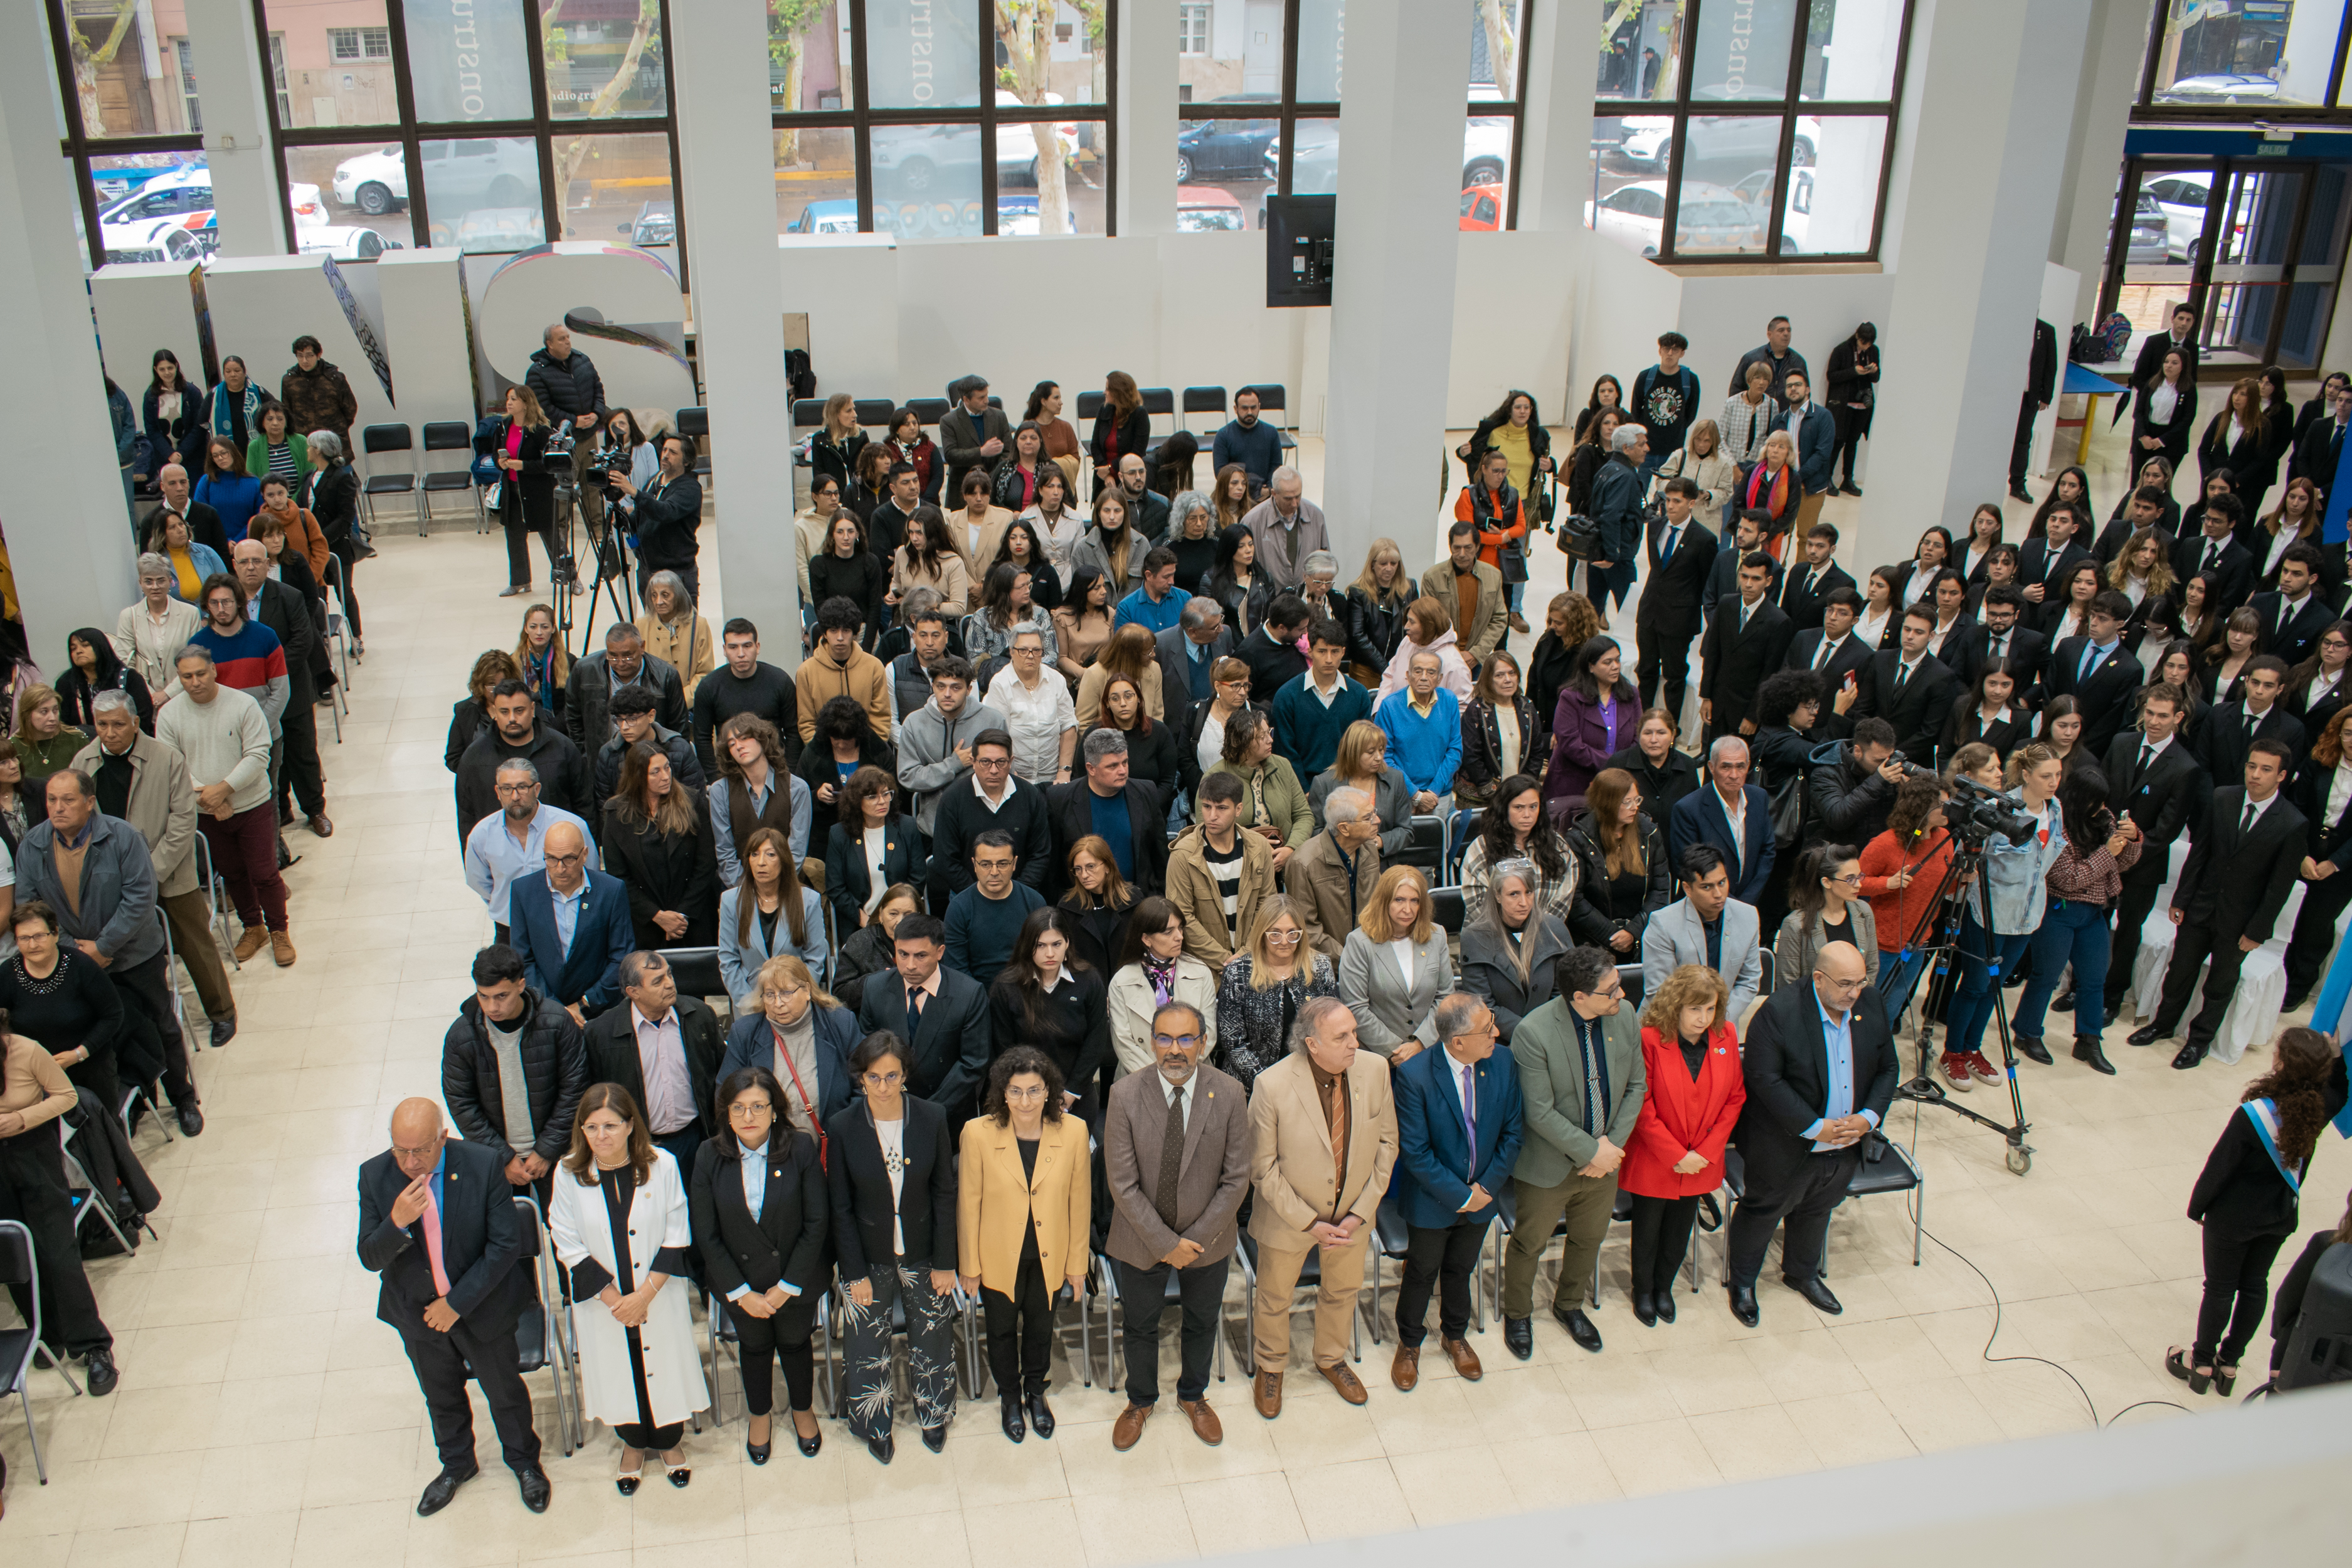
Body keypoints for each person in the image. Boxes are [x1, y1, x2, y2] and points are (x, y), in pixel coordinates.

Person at [358, 1098, 547, 1515]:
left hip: (482, 1307)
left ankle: (524, 1463)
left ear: (443, 1137)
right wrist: (397, 1222)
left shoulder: (482, 1165)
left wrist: (456, 1305)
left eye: (421, 1150)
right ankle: (458, 1464)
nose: (410, 1162)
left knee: (504, 1392)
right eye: (400, 1150)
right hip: (417, 1314)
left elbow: (504, 1246)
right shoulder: (374, 1176)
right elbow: (370, 1257)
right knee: (440, 1396)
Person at [1099, 1000, 1249, 1452]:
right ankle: (1140, 1400)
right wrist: (1166, 1244)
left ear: (1203, 1042)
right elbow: (1121, 1183)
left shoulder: (1229, 1092)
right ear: (1151, 1043)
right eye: (1165, 1038)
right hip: (1141, 1237)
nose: (1175, 1049)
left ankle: (1193, 1395)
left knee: (1201, 1322)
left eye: (1186, 1038)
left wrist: (1193, 1242)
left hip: (1208, 1240)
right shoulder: (1125, 1094)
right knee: (1140, 1325)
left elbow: (1237, 1178)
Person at [1722, 943, 1897, 1326]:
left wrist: (1869, 1117)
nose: (1855, 993)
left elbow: (1888, 1066)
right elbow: (1765, 1079)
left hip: (1847, 1140)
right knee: (1764, 1211)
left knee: (1819, 1208)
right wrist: (1816, 1127)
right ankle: (1744, 1283)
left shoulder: (1869, 1003)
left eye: (1861, 982)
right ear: (1818, 979)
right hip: (1785, 1142)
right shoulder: (1779, 1012)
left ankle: (1802, 1273)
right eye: (1845, 984)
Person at [548, 1082, 707, 1493]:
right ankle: (633, 1446)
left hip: (656, 1294)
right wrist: (617, 1302)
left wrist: (644, 1296)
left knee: (663, 1368)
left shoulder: (662, 1164)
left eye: (610, 1126)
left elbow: (677, 1232)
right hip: (606, 1302)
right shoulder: (568, 1173)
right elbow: (566, 1240)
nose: (601, 1136)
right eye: (591, 1127)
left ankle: (670, 1444)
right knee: (621, 1370)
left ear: (630, 1125)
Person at [2171, 1027, 2348, 1396]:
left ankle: (2201, 1363)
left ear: (2281, 1063)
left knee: (2219, 1289)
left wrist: (2197, 1206)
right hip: (2279, 1216)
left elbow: (2220, 1167)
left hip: (2232, 1218)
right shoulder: (2319, 1108)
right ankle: (2229, 1364)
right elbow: (2340, 1091)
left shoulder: (2253, 1116)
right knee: (2254, 1287)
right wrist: (2337, 1058)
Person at [1242, 993, 1396, 1416]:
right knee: (1275, 1297)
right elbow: (1262, 1168)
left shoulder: (1375, 1069)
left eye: (1354, 1033)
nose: (1354, 1043)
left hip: (1352, 1217)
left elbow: (1387, 1144)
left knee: (1343, 1291)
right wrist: (1309, 1223)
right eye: (1342, 1037)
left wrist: (1360, 1212)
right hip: (1289, 1219)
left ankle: (1331, 1357)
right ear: (1312, 1044)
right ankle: (1271, 1366)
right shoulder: (1272, 1085)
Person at [1495, 945, 1646, 1360]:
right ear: (1579, 997)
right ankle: (1518, 1314)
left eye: (1618, 986)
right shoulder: (1534, 1032)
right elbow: (1539, 1111)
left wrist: (1610, 1148)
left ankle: (1569, 1305)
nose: (1621, 996)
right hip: (1550, 1164)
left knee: (1589, 1238)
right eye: (1610, 991)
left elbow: (1637, 1086)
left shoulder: (1625, 1017)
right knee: (1530, 1243)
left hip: (1606, 1158)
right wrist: (1590, 1151)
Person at [826, 1030, 961, 1465]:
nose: (883, 1087)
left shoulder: (932, 1116)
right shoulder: (843, 1126)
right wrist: (853, 1273)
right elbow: (840, 1207)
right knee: (866, 1343)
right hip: (868, 1255)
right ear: (860, 1078)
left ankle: (934, 1414)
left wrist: (946, 1261)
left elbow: (944, 1193)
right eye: (873, 1077)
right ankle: (874, 1424)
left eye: (892, 1076)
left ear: (905, 1076)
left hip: (924, 1250)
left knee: (933, 1335)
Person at [2131, 740, 2307, 1069]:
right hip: (2200, 905)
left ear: (2282, 775)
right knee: (2180, 971)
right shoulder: (2223, 797)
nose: (2256, 775)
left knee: (2219, 985)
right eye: (2252, 766)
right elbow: (2200, 853)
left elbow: (2278, 888)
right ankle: (2162, 1024)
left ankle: (2199, 1042)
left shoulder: (2292, 822)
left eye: (2266, 769)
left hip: (2240, 921)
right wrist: (2181, 898)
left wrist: (2257, 930)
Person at [72, 692, 235, 1042]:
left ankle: (222, 1012)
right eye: (102, 725)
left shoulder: (166, 758)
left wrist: (147, 873)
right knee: (123, 949)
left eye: (118, 724)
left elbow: (182, 822)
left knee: (194, 942)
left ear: (135, 723)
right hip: (110, 878)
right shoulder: (83, 762)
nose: (110, 732)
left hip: (167, 870)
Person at [688, 1065, 828, 1464]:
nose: (748, 1116)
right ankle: (760, 1415)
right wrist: (741, 1292)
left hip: (795, 1279)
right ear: (726, 1113)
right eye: (738, 1107)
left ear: (774, 1109)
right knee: (754, 1346)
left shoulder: (800, 1147)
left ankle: (802, 1409)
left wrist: (788, 1286)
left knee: (796, 1343)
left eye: (758, 1106)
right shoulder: (708, 1155)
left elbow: (817, 1222)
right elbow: (706, 1234)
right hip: (740, 1283)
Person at [955, 1046, 1091, 1443]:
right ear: (1003, 1092)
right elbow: (968, 1205)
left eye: (1034, 1090)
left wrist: (1077, 1264)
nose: (1025, 1101)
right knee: (1000, 1331)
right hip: (998, 1256)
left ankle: (1036, 1392)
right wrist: (969, 1265)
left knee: (1040, 1328)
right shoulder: (977, 1133)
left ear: (1049, 1092)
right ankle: (1010, 1397)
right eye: (1015, 1091)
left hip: (1049, 1255)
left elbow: (1080, 1202)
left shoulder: (1074, 1132)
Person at [1617, 963, 1745, 1328]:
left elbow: (1735, 1098)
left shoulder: (1725, 1034)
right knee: (1647, 1231)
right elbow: (1641, 1105)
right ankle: (1643, 1291)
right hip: (1656, 1158)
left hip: (1702, 1158)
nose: (1703, 1018)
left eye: (1710, 1009)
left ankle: (1664, 1288)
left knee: (1679, 1230)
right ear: (1676, 1006)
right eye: (1695, 1009)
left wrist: (1705, 1152)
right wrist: (1677, 1155)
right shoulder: (1649, 1039)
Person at [156, 645, 285, 976]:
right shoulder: (169, 715)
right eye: (187, 676)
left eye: (201, 673)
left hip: (252, 804)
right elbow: (172, 765)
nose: (195, 682)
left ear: (214, 670)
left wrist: (224, 789)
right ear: (179, 678)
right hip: (206, 811)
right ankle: (253, 927)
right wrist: (208, 798)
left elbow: (258, 755)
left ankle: (279, 931)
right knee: (232, 873)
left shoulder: (243, 704)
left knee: (265, 873)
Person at [440, 943, 590, 1205]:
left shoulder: (557, 1022)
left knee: (566, 1225)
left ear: (521, 985)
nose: (492, 1006)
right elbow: (461, 1103)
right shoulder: (461, 1036)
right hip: (495, 1159)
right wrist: (503, 1157)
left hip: (559, 1151)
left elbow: (575, 1090)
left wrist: (546, 1150)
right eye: (483, 996)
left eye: (501, 996)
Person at [1, 902, 129, 1126]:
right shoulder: (7, 973)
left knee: (102, 1129)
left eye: (39, 936)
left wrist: (79, 1054)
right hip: (33, 1074)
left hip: (89, 1064)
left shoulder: (81, 965)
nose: (33, 945)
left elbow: (113, 1015)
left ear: (55, 934)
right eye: (24, 938)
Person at [854, 912, 992, 1120]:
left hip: (948, 1113)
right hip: (889, 1108)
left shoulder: (969, 994)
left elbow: (973, 1063)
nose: (910, 965)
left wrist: (930, 1112)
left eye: (920, 956)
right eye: (903, 954)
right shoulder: (875, 988)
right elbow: (867, 1052)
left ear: (940, 952)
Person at [507, 820, 633, 1022]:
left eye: (569, 859)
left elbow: (621, 957)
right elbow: (523, 959)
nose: (560, 869)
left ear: (585, 854)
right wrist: (556, 1009)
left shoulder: (611, 890)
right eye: (551, 859)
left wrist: (584, 1004)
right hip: (545, 1014)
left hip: (601, 1012)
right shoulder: (523, 891)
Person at [601, 740, 718, 951]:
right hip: (645, 924)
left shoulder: (691, 802)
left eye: (667, 767)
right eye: (655, 772)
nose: (665, 776)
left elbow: (706, 862)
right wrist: (657, 916)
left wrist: (681, 915)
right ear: (638, 776)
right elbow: (618, 876)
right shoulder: (617, 813)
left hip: (693, 918)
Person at [463, 758, 595, 941]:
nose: (515, 797)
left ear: (537, 789)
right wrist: (504, 902)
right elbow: (479, 882)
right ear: (498, 792)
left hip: (564, 928)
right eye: (507, 789)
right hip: (510, 929)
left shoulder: (572, 826)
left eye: (522, 787)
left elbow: (591, 874)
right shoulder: (482, 834)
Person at [1336, 865, 1451, 1062]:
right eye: (1399, 900)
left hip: (1429, 1054)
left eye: (1415, 901)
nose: (1408, 909)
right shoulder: (1360, 943)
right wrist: (1396, 1051)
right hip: (1380, 1059)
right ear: (1384, 901)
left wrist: (1420, 1044)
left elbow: (1445, 997)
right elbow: (1356, 1008)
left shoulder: (1437, 935)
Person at [1163, 770, 1276, 970]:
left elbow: (1267, 906)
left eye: (1222, 808)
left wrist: (1247, 952)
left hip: (1254, 962)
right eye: (1207, 807)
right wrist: (1225, 960)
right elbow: (1182, 917)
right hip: (1202, 969)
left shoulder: (1259, 847)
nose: (1212, 816)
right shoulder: (1183, 855)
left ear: (1238, 809)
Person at [455, 679, 590, 845]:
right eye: (504, 712)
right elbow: (466, 816)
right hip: (498, 851)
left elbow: (584, 803)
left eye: (519, 711)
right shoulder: (474, 757)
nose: (512, 718)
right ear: (495, 712)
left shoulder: (562, 749)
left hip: (558, 851)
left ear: (532, 709)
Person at [1458, 859, 1574, 1046]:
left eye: (1529, 892)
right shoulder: (1475, 937)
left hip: (1552, 1037)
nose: (1524, 902)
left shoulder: (1555, 929)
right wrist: (1528, 1033)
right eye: (1514, 894)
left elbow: (1565, 990)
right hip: (1499, 1042)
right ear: (1497, 895)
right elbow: (1482, 1004)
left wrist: (1544, 1031)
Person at [1633, 478, 1717, 726]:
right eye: (1668, 500)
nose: (1670, 506)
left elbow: (1705, 582)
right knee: (1645, 670)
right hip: (1649, 611)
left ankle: (1671, 727)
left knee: (1674, 675)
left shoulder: (1704, 539)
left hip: (1679, 619)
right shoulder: (1655, 527)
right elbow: (1657, 570)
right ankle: (1643, 722)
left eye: (1677, 501)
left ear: (1691, 503)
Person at [1197, 707, 1313, 878]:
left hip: (1282, 868)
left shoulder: (1282, 766)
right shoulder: (1215, 777)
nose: (1270, 740)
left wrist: (1291, 848)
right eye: (1262, 736)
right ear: (1243, 743)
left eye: (1269, 732)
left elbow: (1304, 815)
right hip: (1236, 871)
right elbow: (1206, 830)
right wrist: (1252, 846)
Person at [719, 826, 828, 1006]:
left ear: (784, 860)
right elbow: (728, 962)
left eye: (770, 855)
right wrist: (751, 1004)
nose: (761, 862)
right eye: (754, 854)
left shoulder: (809, 900)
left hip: (794, 1001)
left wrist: (794, 997)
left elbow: (815, 959)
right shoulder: (731, 901)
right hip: (748, 1001)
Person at [707, 713, 811, 893]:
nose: (739, 746)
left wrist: (774, 889)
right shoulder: (720, 791)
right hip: (740, 890)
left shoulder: (797, 788)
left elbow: (796, 850)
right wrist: (748, 892)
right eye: (731, 744)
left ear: (762, 739)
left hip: (787, 888)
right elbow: (725, 852)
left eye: (744, 738)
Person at [1700, 552, 1798, 743]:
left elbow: (1770, 673)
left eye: (1756, 579)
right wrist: (1706, 696)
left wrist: (1754, 715)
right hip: (1718, 702)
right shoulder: (1726, 604)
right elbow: (1713, 653)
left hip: (1745, 709)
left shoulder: (1778, 621)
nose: (1748, 584)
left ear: (1768, 581)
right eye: (1744, 577)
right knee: (1713, 754)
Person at [1668, 736, 1776, 910]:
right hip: (1704, 909)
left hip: (1749, 905)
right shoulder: (1688, 809)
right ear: (1711, 767)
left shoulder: (1759, 797)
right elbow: (1687, 867)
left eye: (1740, 766)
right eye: (1726, 767)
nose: (1734, 775)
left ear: (1748, 766)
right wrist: (1731, 903)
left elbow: (1767, 850)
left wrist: (1747, 902)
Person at [1270, 617, 1370, 788]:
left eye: (1335, 652)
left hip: (1349, 785)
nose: (1329, 659)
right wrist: (1304, 791)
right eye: (1322, 651)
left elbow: (1362, 747)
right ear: (1310, 652)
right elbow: (1285, 751)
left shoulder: (1359, 694)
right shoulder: (1287, 696)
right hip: (1301, 788)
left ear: (1343, 652)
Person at [2047, 590, 2146, 758]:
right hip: (2051, 739)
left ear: (2120, 624)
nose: (2094, 623)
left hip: (2089, 751)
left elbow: (2112, 719)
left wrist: (2079, 750)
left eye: (2103, 619)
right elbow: (2049, 689)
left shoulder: (2130, 668)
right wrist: (2052, 732)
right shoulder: (2067, 647)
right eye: (2093, 615)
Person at [569, 620, 689, 758]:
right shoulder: (585, 670)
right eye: (613, 657)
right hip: (602, 758)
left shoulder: (666, 675)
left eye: (628, 656)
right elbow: (573, 717)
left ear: (642, 647)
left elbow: (679, 726)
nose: (621, 663)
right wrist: (584, 755)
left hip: (651, 758)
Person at [1548, 633, 1640, 811]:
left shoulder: (1631, 694)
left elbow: (1638, 736)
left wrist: (1619, 767)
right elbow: (1570, 744)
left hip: (1619, 784)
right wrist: (1613, 763)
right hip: (1575, 783)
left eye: (1618, 660)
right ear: (1591, 667)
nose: (1616, 667)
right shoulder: (1570, 697)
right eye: (1608, 662)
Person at [945, 829, 1047, 988]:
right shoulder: (958, 908)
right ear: (974, 865)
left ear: (1014, 863)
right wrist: (980, 999)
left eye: (1003, 864)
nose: (994, 872)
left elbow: (1044, 958)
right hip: (976, 995)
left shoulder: (1035, 902)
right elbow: (957, 969)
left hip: (1027, 991)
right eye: (985, 864)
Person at [1776, 840, 1879, 993]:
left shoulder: (1863, 911)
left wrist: (1853, 997)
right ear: (1827, 882)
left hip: (1856, 1001)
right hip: (1811, 1004)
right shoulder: (1795, 924)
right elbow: (1788, 985)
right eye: (1850, 879)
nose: (1859, 885)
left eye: (1859, 877)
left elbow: (1871, 967)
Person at [1374, 649, 1461, 823]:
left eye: (1431, 672)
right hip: (1400, 795)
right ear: (1408, 675)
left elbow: (1455, 751)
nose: (1424, 677)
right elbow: (1384, 756)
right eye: (1418, 671)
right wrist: (1415, 794)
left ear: (1440, 678)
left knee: (1438, 840)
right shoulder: (1390, 706)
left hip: (1439, 796)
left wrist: (1433, 791)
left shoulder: (1449, 701)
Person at [489, 385, 557, 597]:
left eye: (514, 399)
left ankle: (571, 577)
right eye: (508, 399)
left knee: (551, 536)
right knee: (514, 537)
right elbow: (495, 454)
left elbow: (550, 463)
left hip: (537, 491)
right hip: (511, 489)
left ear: (526, 404)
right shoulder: (503, 426)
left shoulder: (541, 430)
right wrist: (500, 463)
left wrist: (524, 466)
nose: (509, 403)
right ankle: (520, 581)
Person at [114, 554, 203, 708]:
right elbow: (125, 662)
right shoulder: (129, 616)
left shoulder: (190, 613)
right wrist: (149, 694)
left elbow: (194, 659)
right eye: (149, 581)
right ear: (141, 583)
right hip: (145, 700)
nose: (155, 587)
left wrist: (168, 693)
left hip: (185, 696)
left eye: (161, 580)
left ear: (170, 581)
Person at [1606, 706, 1701, 822]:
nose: (1654, 740)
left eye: (1661, 733)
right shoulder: (1618, 764)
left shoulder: (1688, 765)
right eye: (1647, 733)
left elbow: (1696, 810)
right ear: (1639, 735)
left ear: (1672, 735)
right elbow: (1604, 808)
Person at [1241, 466, 1329, 591]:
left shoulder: (1315, 515)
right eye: (1288, 499)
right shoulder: (1252, 521)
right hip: (1269, 598)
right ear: (1274, 494)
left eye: (1298, 496)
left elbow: (1325, 560)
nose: (1294, 504)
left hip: (1306, 597)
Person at [632, 571, 712, 706]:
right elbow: (636, 670)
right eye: (654, 595)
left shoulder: (699, 625)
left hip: (688, 705)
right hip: (651, 705)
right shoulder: (641, 625)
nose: (659, 602)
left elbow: (705, 673)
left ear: (678, 596)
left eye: (665, 595)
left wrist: (681, 701)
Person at [54, 628, 151, 736]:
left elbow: (143, 716)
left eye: (85, 645)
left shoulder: (128, 678)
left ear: (100, 647)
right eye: (73, 648)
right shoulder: (65, 683)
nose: (79, 651)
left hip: (127, 739)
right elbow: (63, 722)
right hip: (83, 743)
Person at [448, 650, 524, 774]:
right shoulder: (465, 711)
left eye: (503, 683)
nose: (498, 690)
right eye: (491, 685)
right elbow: (453, 758)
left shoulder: (525, 707)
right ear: (481, 685)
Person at [2134, 347, 2200, 473]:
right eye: (2166, 362)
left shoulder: (2189, 388)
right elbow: (2139, 411)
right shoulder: (2153, 382)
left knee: (2162, 479)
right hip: (2147, 438)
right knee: (2140, 478)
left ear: (2183, 366)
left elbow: (2187, 419)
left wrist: (2162, 441)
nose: (2169, 366)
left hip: (2171, 442)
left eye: (2174, 363)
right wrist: (2143, 435)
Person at [1211, 386, 1284, 495]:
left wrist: (1268, 490)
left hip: (1264, 493)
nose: (1250, 412)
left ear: (1259, 407)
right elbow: (1220, 473)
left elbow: (1276, 467)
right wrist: (1247, 489)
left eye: (1253, 408)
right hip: (1235, 494)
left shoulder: (1271, 433)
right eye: (1245, 408)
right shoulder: (1223, 435)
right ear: (1236, 409)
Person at [193, 435, 263, 545]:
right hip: (216, 545)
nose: (220, 458)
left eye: (224, 453)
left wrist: (238, 541)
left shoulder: (253, 482)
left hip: (248, 543)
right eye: (215, 456)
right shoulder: (206, 482)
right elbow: (201, 517)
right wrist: (225, 541)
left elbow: (259, 517)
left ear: (233, 452)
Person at [514, 603, 569, 728]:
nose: (539, 632)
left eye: (545, 627)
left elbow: (573, 704)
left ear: (553, 628)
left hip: (560, 727)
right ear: (526, 628)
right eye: (533, 627)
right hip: (526, 726)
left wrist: (552, 728)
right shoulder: (515, 661)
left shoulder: (569, 661)